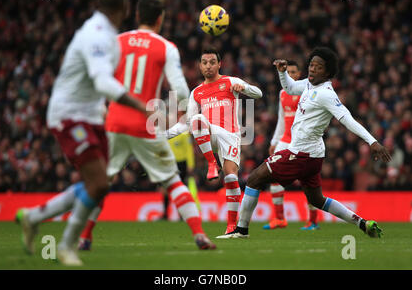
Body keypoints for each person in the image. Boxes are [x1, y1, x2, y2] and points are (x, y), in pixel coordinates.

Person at [15, 0, 151, 266]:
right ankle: (65, 247)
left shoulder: (105, 32)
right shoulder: (98, 35)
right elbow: (102, 81)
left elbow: (95, 83)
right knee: (99, 182)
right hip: (69, 115)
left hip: (90, 115)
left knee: (97, 184)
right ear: (124, 7)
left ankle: (33, 217)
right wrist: (140, 106)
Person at [77, 0, 216, 251]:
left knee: (100, 183)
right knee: (173, 182)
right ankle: (199, 235)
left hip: (115, 122)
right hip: (145, 124)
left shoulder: (116, 42)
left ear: (137, 15)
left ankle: (84, 237)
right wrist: (185, 112)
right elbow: (181, 91)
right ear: (160, 19)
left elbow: (98, 80)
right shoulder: (166, 47)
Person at [221, 47, 392, 239]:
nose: (312, 69)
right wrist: (282, 72)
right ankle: (362, 222)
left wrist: (373, 141)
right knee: (317, 199)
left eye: (318, 67)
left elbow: (347, 119)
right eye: (311, 65)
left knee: (254, 179)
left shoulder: (326, 93)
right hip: (313, 155)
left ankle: (241, 231)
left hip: (301, 154)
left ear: (327, 72)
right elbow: (290, 88)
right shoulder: (310, 85)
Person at [166, 46, 263, 237]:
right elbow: (186, 124)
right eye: (204, 63)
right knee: (197, 120)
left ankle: (232, 227)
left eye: (212, 62)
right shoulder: (196, 92)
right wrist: (160, 135)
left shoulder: (230, 81)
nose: (208, 66)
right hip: (209, 135)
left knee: (231, 178)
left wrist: (244, 88)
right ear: (200, 67)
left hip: (231, 136)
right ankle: (212, 162)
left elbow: (258, 94)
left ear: (220, 64)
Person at [263, 60, 320, 231]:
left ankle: (313, 221)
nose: (291, 75)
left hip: (302, 142)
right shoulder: (282, 93)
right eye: (289, 72)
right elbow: (282, 119)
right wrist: (274, 141)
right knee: (273, 176)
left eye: (294, 72)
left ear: (300, 74)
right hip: (285, 140)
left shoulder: (307, 92)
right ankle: (280, 218)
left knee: (307, 181)